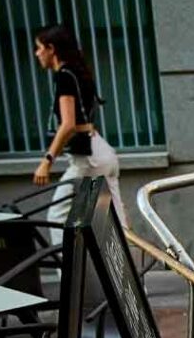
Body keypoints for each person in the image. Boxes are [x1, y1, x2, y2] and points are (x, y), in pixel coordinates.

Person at [33, 24, 128, 235]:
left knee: (57, 217)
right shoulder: (77, 71)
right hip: (101, 152)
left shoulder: (65, 76)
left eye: (39, 48)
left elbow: (68, 124)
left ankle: (67, 268)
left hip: (87, 159)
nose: (37, 53)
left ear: (51, 49)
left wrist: (46, 161)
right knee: (117, 224)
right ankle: (127, 265)